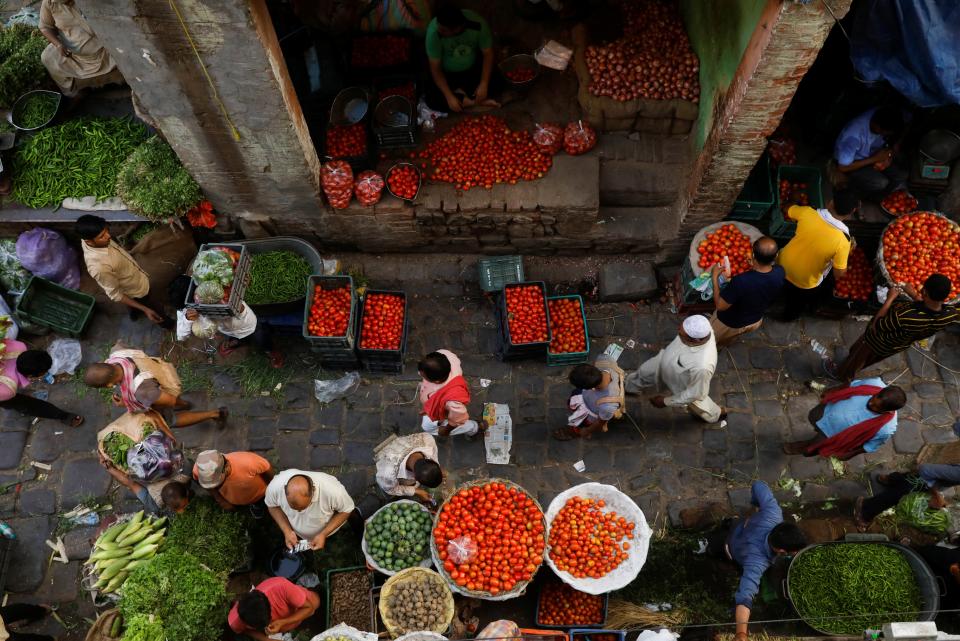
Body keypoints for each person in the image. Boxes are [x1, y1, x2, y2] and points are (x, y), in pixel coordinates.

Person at [707, 481, 807, 641]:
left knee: (732, 525)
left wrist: (755, 507)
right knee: (713, 547)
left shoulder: (773, 513)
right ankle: (710, 547)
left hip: (740, 527)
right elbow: (745, 597)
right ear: (780, 551)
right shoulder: (757, 563)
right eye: (792, 552)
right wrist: (741, 634)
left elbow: (758, 485)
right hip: (730, 547)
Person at [830, 274, 958, 381]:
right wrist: (914, 295)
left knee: (857, 358)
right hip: (896, 345)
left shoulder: (905, 316)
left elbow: (876, 325)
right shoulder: (950, 313)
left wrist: (889, 299)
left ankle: (842, 375)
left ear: (924, 291)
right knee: (867, 359)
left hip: (875, 341)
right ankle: (851, 366)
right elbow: (929, 308)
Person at [83, 342, 227, 429]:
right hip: (158, 373)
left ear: (109, 385)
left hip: (162, 388)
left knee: (170, 420)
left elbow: (169, 400)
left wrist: (125, 403)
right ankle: (185, 404)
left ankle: (216, 413)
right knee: (174, 400)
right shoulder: (117, 350)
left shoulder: (141, 391)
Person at [625, 315, 724, 424]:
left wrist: (665, 401)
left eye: (681, 334)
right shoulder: (703, 328)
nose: (678, 331)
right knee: (644, 372)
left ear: (694, 340)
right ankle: (628, 386)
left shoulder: (702, 367)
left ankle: (714, 415)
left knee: (698, 404)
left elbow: (695, 393)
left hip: (682, 383)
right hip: (665, 361)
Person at [76, 215, 171, 327]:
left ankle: (134, 312)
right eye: (102, 236)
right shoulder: (99, 267)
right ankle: (167, 323)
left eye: (107, 230)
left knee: (133, 304)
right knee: (155, 309)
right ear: (89, 242)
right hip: (136, 290)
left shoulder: (92, 239)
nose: (108, 236)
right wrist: (145, 309)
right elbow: (115, 294)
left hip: (133, 278)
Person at [783, 378, 905, 460]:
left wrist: (849, 454)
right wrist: (831, 391)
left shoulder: (886, 428)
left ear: (888, 411)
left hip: (832, 435)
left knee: (811, 448)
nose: (870, 404)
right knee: (812, 416)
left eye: (876, 407)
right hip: (826, 410)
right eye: (874, 398)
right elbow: (850, 385)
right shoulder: (875, 384)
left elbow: (869, 446)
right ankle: (816, 428)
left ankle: (799, 447)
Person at [776, 200, 853, 321]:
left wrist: (793, 200)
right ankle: (788, 317)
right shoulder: (844, 240)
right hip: (805, 279)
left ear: (830, 203)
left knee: (782, 288)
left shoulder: (808, 212)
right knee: (796, 303)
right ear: (851, 213)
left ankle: (778, 302)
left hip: (783, 263)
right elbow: (838, 274)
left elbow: (787, 208)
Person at [709, 237, 785, 347]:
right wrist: (754, 266)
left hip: (730, 322)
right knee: (730, 338)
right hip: (755, 320)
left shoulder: (741, 281)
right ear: (776, 256)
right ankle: (723, 344)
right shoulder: (780, 271)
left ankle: (713, 350)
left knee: (710, 340)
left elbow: (720, 306)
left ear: (753, 255)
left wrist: (714, 277)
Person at [38, 0, 124, 97]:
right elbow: (45, 27)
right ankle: (75, 93)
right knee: (48, 57)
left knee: (125, 49)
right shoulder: (50, 3)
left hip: (105, 50)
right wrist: (58, 44)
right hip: (73, 55)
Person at [424, 4, 499, 113]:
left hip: (471, 69)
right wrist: (449, 96)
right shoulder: (433, 33)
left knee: (498, 81)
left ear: (457, 29)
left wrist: (484, 83)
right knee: (431, 99)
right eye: (438, 26)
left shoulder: (477, 23)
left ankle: (463, 99)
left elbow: (488, 53)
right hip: (447, 75)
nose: (439, 30)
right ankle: (474, 102)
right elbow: (435, 68)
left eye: (444, 30)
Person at [833, 106, 907, 216]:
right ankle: (855, 198)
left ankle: (878, 198)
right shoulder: (853, 137)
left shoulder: (883, 115)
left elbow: (893, 142)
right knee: (880, 182)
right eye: (885, 133)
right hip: (854, 163)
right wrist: (875, 159)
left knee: (901, 175)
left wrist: (888, 156)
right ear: (877, 127)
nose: (885, 135)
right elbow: (843, 167)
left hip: (875, 154)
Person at [265, 469, 356, 551]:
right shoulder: (274, 487)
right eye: (294, 509)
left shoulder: (334, 492)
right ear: (284, 490)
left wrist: (323, 534)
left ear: (313, 491)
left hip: (328, 532)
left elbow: (347, 510)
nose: (300, 512)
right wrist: (287, 531)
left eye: (303, 508)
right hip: (297, 534)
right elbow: (272, 506)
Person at [0, 340, 82, 427]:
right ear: (31, 376)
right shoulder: (7, 390)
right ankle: (62, 416)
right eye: (44, 372)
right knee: (21, 404)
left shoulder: (18, 346)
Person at [183, 302, 284, 368]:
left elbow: (238, 307)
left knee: (262, 339)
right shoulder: (196, 308)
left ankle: (271, 351)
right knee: (234, 336)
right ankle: (237, 341)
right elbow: (188, 326)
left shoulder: (226, 302)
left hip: (250, 325)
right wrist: (189, 318)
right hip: (229, 329)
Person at [99, 448, 191, 515]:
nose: (182, 511)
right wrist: (109, 468)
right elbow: (130, 483)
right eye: (179, 508)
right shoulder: (154, 503)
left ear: (186, 491)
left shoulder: (186, 471)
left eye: (182, 506)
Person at [553, 356, 624, 440]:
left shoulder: (607, 406)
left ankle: (573, 432)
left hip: (589, 413)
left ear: (587, 388)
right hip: (587, 398)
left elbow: (600, 422)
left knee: (579, 423)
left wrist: (587, 430)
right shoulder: (605, 359)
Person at [228, 576, 320, 641]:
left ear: (268, 605)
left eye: (269, 620)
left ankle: (312, 588)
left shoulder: (281, 587)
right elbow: (245, 630)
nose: (267, 625)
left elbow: (310, 609)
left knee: (316, 602)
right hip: (283, 626)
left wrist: (283, 622)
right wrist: (266, 640)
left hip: (298, 602)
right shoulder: (235, 621)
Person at [419, 350, 483, 437]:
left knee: (427, 427)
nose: (420, 374)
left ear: (437, 382)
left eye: (423, 376)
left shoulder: (453, 399)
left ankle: (474, 427)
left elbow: (458, 417)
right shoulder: (445, 355)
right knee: (430, 424)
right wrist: (427, 408)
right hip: (437, 408)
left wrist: (446, 430)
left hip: (444, 412)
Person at [193, 449, 274, 512]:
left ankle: (257, 505)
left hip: (257, 495)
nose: (216, 487)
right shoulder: (200, 470)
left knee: (259, 503)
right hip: (231, 497)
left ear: (227, 466)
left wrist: (272, 489)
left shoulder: (250, 463)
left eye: (217, 482)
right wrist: (220, 500)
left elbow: (267, 469)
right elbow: (208, 487)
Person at [374, 433, 443, 503]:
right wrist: (417, 491)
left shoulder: (428, 440)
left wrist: (435, 470)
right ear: (414, 478)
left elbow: (434, 457)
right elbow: (391, 489)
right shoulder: (388, 474)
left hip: (402, 444)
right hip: (387, 456)